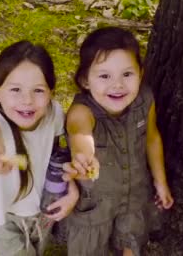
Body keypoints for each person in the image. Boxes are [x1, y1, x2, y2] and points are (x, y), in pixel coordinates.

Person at [63, 27, 174, 256]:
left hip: (134, 192)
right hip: (97, 203)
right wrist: (84, 154)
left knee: (130, 238)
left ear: (141, 73)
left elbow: (152, 138)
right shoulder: (82, 111)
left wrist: (160, 182)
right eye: (104, 76)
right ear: (85, 79)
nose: (118, 85)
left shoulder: (145, 100)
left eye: (127, 74)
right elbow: (80, 133)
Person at [0, 41, 79, 256]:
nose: (27, 100)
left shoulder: (54, 114)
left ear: (51, 92)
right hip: (5, 217)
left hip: (42, 209)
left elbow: (59, 154)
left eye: (38, 90)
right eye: (15, 89)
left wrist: (71, 189)